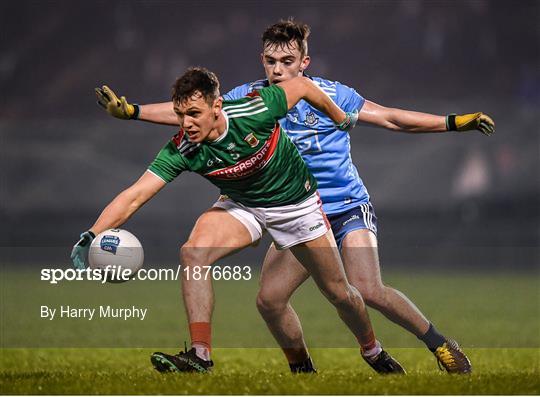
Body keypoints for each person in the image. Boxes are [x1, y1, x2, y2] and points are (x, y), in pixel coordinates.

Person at [95, 20, 494, 374]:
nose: (278, 69)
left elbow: (390, 117)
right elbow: (191, 111)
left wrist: (453, 123)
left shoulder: (331, 93)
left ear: (305, 62)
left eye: (287, 61)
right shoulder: (249, 98)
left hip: (344, 206)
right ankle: (302, 371)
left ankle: (437, 342)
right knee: (269, 301)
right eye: (271, 61)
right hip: (291, 207)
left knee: (367, 289)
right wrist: (133, 110)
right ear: (262, 61)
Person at [74, 67, 406, 374]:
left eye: (194, 114)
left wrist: (339, 117)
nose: (186, 124)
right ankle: (201, 355)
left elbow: (303, 86)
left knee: (340, 294)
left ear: (217, 106)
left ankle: (372, 350)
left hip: (297, 207)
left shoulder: (256, 109)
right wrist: (92, 234)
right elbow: (135, 195)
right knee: (193, 253)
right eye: (179, 115)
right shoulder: (183, 149)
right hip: (243, 204)